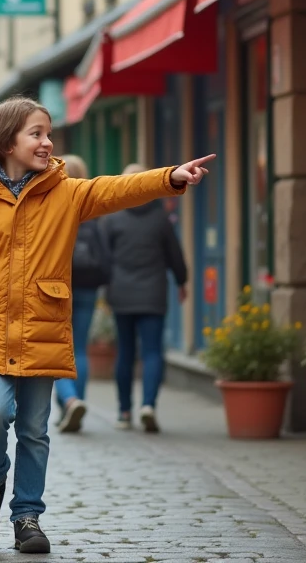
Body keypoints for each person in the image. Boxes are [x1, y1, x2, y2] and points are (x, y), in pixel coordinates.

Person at [0, 97, 212, 554]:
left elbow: (118, 189)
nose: (47, 142)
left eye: (48, 133)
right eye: (36, 134)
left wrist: (169, 177)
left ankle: (27, 517)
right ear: (6, 142)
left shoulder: (67, 192)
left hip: (43, 326)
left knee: (35, 429)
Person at [102, 162, 189, 433]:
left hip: (122, 293)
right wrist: (182, 281)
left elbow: (104, 258)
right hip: (153, 293)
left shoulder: (112, 218)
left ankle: (124, 412)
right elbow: (175, 254)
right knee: (152, 351)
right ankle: (148, 405)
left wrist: (107, 288)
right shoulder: (160, 218)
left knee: (125, 353)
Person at [53, 155, 110, 434]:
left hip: (58, 289)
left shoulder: (54, 206)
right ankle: (77, 403)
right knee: (79, 350)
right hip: (88, 286)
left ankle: (69, 400)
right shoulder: (92, 208)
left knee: (55, 349)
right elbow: (106, 254)